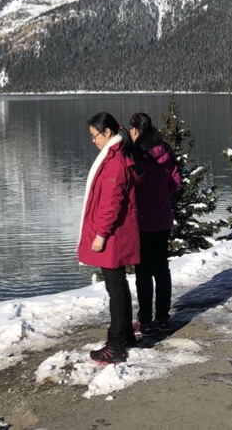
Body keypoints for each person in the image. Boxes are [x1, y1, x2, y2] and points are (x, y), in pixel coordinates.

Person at [79, 112, 142, 364]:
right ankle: (126, 335)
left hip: (112, 235)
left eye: (95, 135)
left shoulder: (115, 162)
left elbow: (111, 203)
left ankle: (116, 345)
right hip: (117, 233)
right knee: (119, 286)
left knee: (115, 289)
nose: (93, 140)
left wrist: (100, 234)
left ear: (107, 133)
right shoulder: (116, 155)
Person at [128, 112, 181, 336]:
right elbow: (176, 181)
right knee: (161, 268)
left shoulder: (136, 154)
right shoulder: (166, 151)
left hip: (141, 220)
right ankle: (162, 317)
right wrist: (162, 197)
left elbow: (128, 183)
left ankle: (145, 319)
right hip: (162, 218)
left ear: (135, 130)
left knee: (143, 271)